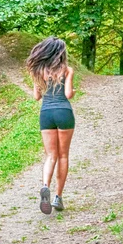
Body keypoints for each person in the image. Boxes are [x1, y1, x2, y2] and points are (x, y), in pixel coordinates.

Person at [26, 37, 75, 215]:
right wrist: (73, 91)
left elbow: (36, 97)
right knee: (63, 156)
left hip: (46, 114)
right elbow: (68, 94)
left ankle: (45, 185)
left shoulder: (39, 71)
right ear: (60, 52)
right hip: (63, 112)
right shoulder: (67, 70)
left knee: (50, 155)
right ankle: (57, 197)